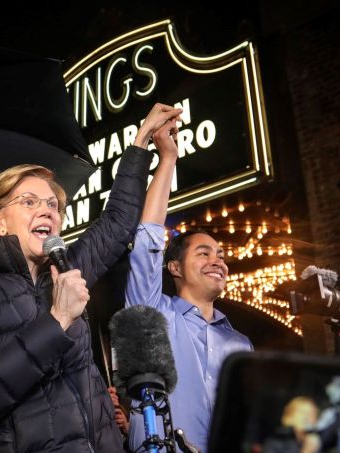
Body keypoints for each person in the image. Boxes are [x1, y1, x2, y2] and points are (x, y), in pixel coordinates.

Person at [0, 104, 179, 452]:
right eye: (29, 201)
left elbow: (117, 223)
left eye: (53, 205)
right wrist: (58, 320)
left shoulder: (65, 270)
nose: (46, 210)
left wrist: (141, 143)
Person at [124, 111, 253, 451]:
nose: (217, 261)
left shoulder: (241, 345)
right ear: (175, 268)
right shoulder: (154, 315)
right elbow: (147, 240)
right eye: (204, 253)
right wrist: (167, 158)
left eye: (221, 255)